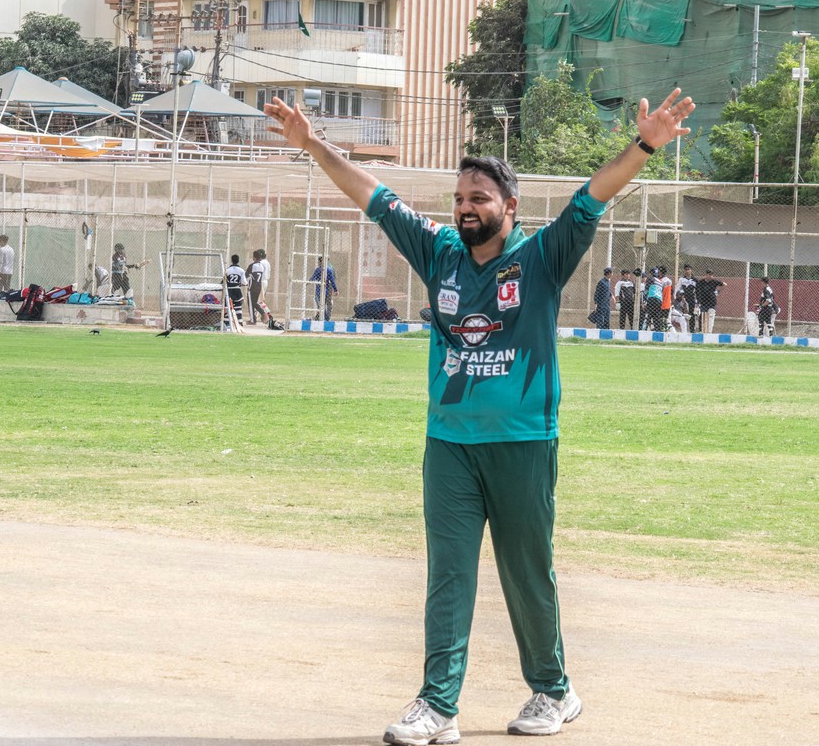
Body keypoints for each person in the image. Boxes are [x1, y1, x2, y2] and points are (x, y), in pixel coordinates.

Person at [265, 87, 694, 744]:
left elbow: (592, 196)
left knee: (527, 574)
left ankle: (553, 690)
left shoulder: (542, 255)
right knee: (449, 574)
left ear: (509, 207)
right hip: (450, 445)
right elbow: (373, 195)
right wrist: (311, 144)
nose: (465, 208)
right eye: (460, 198)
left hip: (524, 443)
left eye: (480, 199)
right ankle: (438, 705)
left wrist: (644, 145)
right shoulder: (438, 251)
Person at [248, 249, 283, 330]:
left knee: (258, 301)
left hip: (260, 282)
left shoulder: (260, 263)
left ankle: (267, 315)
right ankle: (264, 315)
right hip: (265, 281)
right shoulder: (267, 262)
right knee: (260, 301)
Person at [695, 269, 725, 334]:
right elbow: (697, 291)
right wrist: (698, 301)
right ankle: (701, 330)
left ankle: (709, 331)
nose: (711, 276)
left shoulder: (714, 281)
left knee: (711, 316)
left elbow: (724, 284)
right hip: (703, 302)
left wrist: (717, 291)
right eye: (709, 275)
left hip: (712, 302)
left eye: (712, 275)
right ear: (706, 275)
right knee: (702, 316)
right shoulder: (701, 282)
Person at [310, 256, 338, 321]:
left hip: (320, 289)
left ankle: (324, 316)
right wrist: (335, 289)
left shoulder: (319, 269)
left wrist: (309, 281)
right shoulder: (330, 268)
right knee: (325, 303)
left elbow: (313, 277)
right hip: (327, 289)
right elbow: (333, 279)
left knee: (321, 304)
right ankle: (324, 317)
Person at [224, 253, 246, 325]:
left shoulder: (227, 270)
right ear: (238, 261)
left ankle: (226, 323)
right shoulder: (241, 270)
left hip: (229, 290)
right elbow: (244, 282)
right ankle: (240, 322)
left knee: (228, 306)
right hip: (237, 290)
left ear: (231, 260)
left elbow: (224, 281)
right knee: (238, 306)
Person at [676, 264, 697, 333]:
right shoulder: (681, 279)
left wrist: (697, 301)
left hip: (692, 299)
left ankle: (692, 330)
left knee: (691, 314)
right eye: (686, 269)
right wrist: (676, 297)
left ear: (691, 270)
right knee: (682, 315)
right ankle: (683, 331)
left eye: (688, 269)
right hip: (683, 299)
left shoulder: (695, 280)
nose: (687, 271)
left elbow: (697, 291)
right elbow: (677, 289)